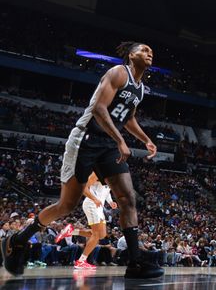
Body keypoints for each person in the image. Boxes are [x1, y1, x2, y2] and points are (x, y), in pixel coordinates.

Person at [1, 42, 163, 279]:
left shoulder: (140, 88)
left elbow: (128, 118)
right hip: (86, 139)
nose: (149, 53)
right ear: (131, 55)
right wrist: (120, 141)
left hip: (107, 145)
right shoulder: (118, 72)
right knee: (66, 205)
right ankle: (18, 239)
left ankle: (135, 263)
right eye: (144, 49)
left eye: (152, 51)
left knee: (128, 199)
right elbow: (99, 108)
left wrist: (146, 139)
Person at [55, 172, 118, 270]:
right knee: (96, 235)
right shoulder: (97, 173)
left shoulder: (110, 175)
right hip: (92, 204)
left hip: (99, 207)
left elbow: (106, 191)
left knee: (101, 235)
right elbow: (83, 188)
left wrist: (110, 202)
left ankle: (71, 232)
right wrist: (94, 199)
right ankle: (81, 261)